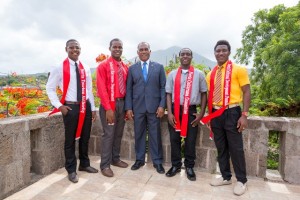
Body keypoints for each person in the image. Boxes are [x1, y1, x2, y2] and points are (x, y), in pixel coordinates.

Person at [202, 40, 250, 196]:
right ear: (214, 53)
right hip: (216, 114)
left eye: (224, 50)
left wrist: (244, 115)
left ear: (229, 52)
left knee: (236, 148)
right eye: (218, 51)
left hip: (232, 112)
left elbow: (247, 92)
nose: (220, 53)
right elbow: (210, 97)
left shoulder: (238, 70)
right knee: (221, 147)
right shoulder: (211, 74)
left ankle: (242, 181)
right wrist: (209, 116)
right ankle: (225, 176)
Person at [46, 39, 98, 183]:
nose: (75, 50)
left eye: (77, 47)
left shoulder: (85, 67)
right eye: (72, 47)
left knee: (85, 137)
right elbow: (49, 88)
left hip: (85, 106)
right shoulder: (59, 67)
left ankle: (84, 164)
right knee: (70, 140)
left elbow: (89, 90)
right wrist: (59, 106)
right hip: (71, 107)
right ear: (66, 49)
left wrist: (92, 107)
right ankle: (71, 169)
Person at [165, 48, 207, 181]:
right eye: (182, 54)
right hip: (175, 110)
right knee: (174, 139)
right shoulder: (172, 74)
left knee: (190, 140)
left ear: (191, 57)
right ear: (179, 57)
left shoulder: (199, 74)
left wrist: (201, 113)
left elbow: (204, 93)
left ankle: (189, 166)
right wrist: (169, 113)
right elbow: (168, 94)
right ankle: (176, 165)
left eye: (188, 54)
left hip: (191, 111)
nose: (185, 56)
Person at [125, 42, 166, 174]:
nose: (143, 51)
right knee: (139, 135)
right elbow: (129, 89)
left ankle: (158, 161)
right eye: (141, 50)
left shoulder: (159, 67)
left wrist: (161, 106)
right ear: (137, 52)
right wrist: (129, 108)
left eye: (145, 49)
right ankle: (139, 160)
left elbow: (163, 88)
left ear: (150, 51)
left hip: (154, 108)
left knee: (155, 135)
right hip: (138, 108)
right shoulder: (132, 69)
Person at [96, 38, 129, 177]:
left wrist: (128, 107)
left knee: (118, 133)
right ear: (109, 48)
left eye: (119, 47)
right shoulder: (103, 66)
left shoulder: (124, 67)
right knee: (109, 134)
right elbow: (101, 88)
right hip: (109, 104)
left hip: (122, 103)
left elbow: (127, 87)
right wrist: (108, 108)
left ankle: (115, 159)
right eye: (114, 47)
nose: (117, 49)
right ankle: (105, 165)